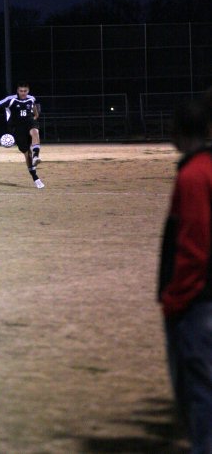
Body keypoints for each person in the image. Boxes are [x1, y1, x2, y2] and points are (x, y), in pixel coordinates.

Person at [157, 97, 212, 454]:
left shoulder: (194, 174)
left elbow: (194, 248)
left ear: (177, 132)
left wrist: (174, 300)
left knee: (200, 394)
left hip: (196, 304)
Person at [0, 81, 44, 189]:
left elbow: (34, 107)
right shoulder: (11, 99)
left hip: (29, 122)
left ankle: (36, 156)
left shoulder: (31, 98)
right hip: (17, 127)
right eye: (21, 91)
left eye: (25, 91)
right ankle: (35, 177)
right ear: (17, 91)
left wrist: (35, 116)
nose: (23, 93)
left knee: (35, 132)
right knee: (27, 154)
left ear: (28, 91)